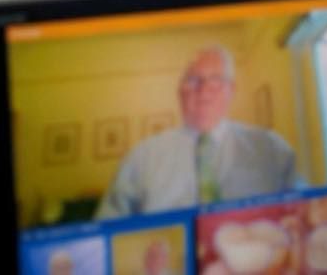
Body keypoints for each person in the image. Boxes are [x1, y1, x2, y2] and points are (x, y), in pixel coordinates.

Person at [95, 47, 296, 218]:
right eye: (193, 80)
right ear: (179, 92)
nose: (204, 90)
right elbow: (104, 231)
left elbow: (301, 217)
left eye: (216, 79)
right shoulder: (140, 158)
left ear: (231, 90)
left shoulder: (272, 150)